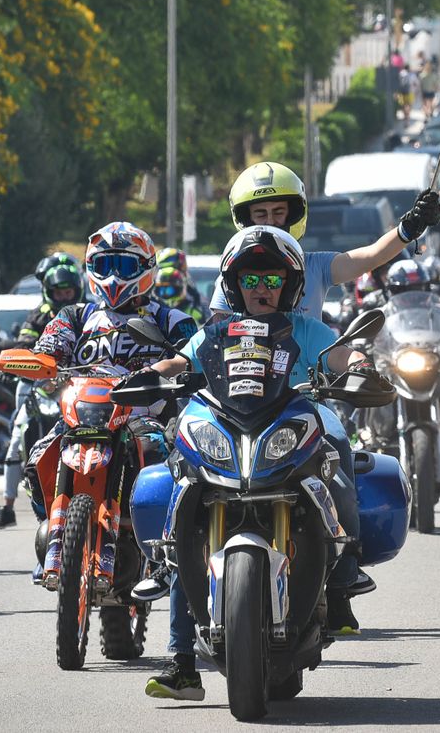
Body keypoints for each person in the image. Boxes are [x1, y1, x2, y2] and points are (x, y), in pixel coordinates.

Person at [141, 226, 372, 702]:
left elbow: (345, 354)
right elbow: (181, 364)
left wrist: (362, 364)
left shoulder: (306, 330)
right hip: (228, 432)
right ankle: (178, 647)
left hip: (288, 429)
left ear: (289, 285)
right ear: (234, 285)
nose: (261, 288)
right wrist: (152, 374)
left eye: (271, 279)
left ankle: (345, 569)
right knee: (179, 485)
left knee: (337, 454)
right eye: (251, 279)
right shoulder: (215, 333)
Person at [22, 224, 198, 581]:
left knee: (167, 462)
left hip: (144, 416)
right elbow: (49, 348)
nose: (115, 275)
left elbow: (193, 359)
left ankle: (167, 548)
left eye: (126, 266)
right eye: (105, 265)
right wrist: (41, 362)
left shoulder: (172, 320)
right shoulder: (75, 316)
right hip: (83, 415)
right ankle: (52, 531)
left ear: (146, 268)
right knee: (38, 453)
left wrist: (179, 375)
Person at [205, 162, 440, 324]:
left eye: (278, 212)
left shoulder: (316, 265)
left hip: (305, 392)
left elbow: (372, 256)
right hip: (245, 391)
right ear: (246, 219)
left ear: (293, 214)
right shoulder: (229, 275)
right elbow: (215, 335)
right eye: (260, 214)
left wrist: (410, 227)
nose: (270, 222)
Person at [0, 253, 83, 530]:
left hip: (77, 383)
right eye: (59, 292)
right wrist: (28, 358)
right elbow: (25, 340)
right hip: (40, 384)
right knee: (18, 433)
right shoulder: (39, 315)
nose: (65, 297)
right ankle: (7, 505)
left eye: (68, 291)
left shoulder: (86, 312)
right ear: (49, 292)